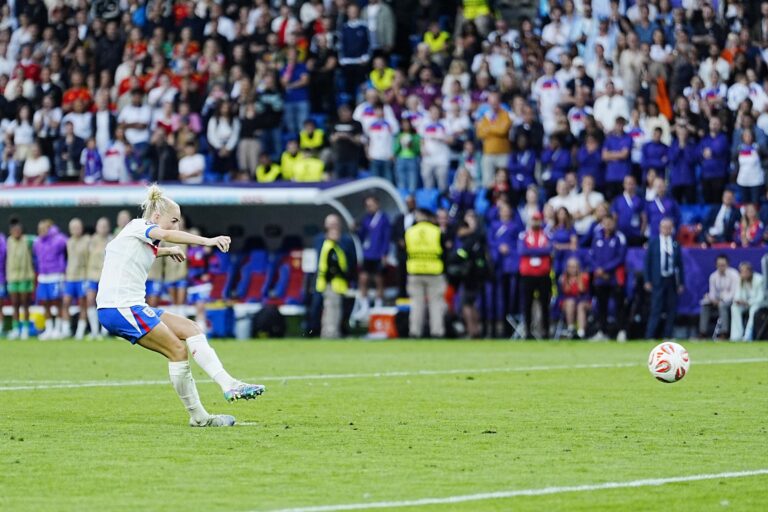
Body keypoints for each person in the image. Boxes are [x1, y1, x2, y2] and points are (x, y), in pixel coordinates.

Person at [96, 185, 264, 427]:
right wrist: (208, 240)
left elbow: (135, 252)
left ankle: (229, 384)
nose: (175, 227)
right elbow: (164, 235)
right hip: (121, 308)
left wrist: (166, 251)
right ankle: (200, 418)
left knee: (191, 328)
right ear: (156, 217)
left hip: (127, 307)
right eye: (173, 221)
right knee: (177, 350)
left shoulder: (136, 236)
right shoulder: (139, 226)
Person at [405, 209, 446, 338]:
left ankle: (415, 332)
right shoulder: (437, 231)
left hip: (415, 270)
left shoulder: (409, 232)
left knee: (416, 303)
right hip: (434, 271)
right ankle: (437, 332)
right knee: (436, 303)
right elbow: (444, 251)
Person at [644, 218, 685, 339]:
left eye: (669, 227)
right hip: (658, 279)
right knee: (656, 308)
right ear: (660, 228)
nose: (667, 230)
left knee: (671, 308)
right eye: (664, 227)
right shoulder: (654, 243)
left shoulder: (675, 243)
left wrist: (681, 282)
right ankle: (650, 335)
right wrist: (647, 280)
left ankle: (668, 335)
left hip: (671, 279)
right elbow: (647, 263)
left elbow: (680, 265)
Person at [590, 214, 628, 341]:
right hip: (600, 278)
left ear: (614, 223)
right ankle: (602, 331)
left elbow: (620, 258)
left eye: (610, 223)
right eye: (605, 223)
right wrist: (598, 270)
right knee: (601, 306)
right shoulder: (597, 237)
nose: (607, 226)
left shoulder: (619, 237)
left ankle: (621, 331)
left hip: (614, 277)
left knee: (619, 305)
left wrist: (605, 269)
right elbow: (592, 256)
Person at [518, 211, 553, 339]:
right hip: (528, 274)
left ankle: (546, 331)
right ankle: (528, 331)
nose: (535, 222)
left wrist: (532, 251)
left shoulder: (546, 235)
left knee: (545, 303)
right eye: (533, 220)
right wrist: (540, 251)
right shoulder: (524, 235)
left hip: (543, 274)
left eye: (538, 220)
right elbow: (522, 250)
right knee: (527, 303)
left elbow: (549, 249)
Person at [355, 196, 391, 317]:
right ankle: (364, 306)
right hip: (367, 253)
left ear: (377, 204)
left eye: (371, 205)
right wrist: (356, 230)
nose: (369, 207)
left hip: (378, 254)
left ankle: (378, 305)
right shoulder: (366, 219)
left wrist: (385, 253)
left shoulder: (383, 219)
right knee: (363, 279)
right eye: (367, 205)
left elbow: (386, 238)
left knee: (378, 280)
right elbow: (362, 236)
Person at [33, 219, 68, 340]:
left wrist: (54, 232)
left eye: (44, 229)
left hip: (55, 275)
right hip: (43, 276)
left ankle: (58, 329)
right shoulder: (37, 243)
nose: (41, 231)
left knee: (57, 303)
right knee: (45, 304)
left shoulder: (58, 240)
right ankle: (49, 329)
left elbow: (65, 243)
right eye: (40, 229)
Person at [317, 222, 349, 339]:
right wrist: (344, 276)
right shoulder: (330, 248)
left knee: (332, 308)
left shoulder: (334, 247)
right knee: (331, 309)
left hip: (335, 284)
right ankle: (330, 332)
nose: (337, 235)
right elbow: (332, 267)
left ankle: (330, 331)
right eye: (334, 232)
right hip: (331, 284)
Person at [475, 91, 512, 188]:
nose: (493, 105)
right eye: (491, 103)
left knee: (504, 181)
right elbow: (479, 133)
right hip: (488, 153)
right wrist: (495, 127)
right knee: (488, 182)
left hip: (503, 153)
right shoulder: (486, 116)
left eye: (495, 102)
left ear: (499, 102)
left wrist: (489, 128)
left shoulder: (505, 114)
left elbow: (503, 130)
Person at [62, 218, 90, 339]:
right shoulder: (68, 242)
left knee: (83, 304)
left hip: (82, 277)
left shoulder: (87, 241)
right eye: (73, 228)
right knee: (65, 303)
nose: (76, 230)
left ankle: (80, 330)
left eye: (78, 227)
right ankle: (66, 329)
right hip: (70, 277)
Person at [699, 254, 740, 338]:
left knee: (722, 305)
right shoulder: (713, 276)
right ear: (716, 265)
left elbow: (734, 293)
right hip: (717, 300)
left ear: (727, 265)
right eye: (719, 265)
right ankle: (702, 332)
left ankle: (724, 333)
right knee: (705, 304)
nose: (721, 267)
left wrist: (721, 300)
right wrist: (711, 298)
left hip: (730, 301)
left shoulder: (734, 275)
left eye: (723, 265)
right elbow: (712, 292)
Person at [6, 217, 34, 339]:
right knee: (15, 304)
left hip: (25, 277)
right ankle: (16, 328)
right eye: (14, 230)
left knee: (25, 304)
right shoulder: (8, 241)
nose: (16, 232)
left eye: (18, 230)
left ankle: (25, 329)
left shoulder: (27, 240)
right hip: (13, 277)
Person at [84, 217, 111, 339]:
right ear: (97, 227)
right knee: (90, 301)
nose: (103, 229)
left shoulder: (112, 240)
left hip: (106, 276)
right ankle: (94, 331)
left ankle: (104, 331)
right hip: (92, 275)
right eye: (101, 226)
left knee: (105, 303)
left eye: (105, 226)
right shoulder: (90, 241)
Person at [730, 262, 766, 341]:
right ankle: (736, 336)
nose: (743, 274)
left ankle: (747, 336)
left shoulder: (759, 280)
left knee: (754, 309)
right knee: (734, 307)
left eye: (745, 272)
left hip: (760, 305)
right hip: (746, 304)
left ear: (750, 271)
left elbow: (760, 298)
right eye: (741, 272)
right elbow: (737, 295)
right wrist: (739, 301)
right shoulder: (741, 280)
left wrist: (747, 302)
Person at [558, 257, 591, 339]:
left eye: (574, 267)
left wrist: (578, 279)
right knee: (570, 302)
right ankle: (571, 328)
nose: (572, 269)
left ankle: (581, 332)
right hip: (568, 302)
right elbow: (566, 292)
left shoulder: (584, 277)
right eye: (570, 267)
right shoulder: (563, 278)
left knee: (580, 306)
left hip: (583, 300)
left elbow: (581, 290)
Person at [611, 175, 645, 247]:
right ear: (624, 185)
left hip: (635, 233)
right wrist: (615, 231)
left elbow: (644, 218)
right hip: (621, 233)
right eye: (627, 183)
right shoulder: (617, 200)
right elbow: (614, 217)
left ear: (635, 185)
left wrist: (641, 232)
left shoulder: (639, 200)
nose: (630, 186)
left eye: (632, 183)